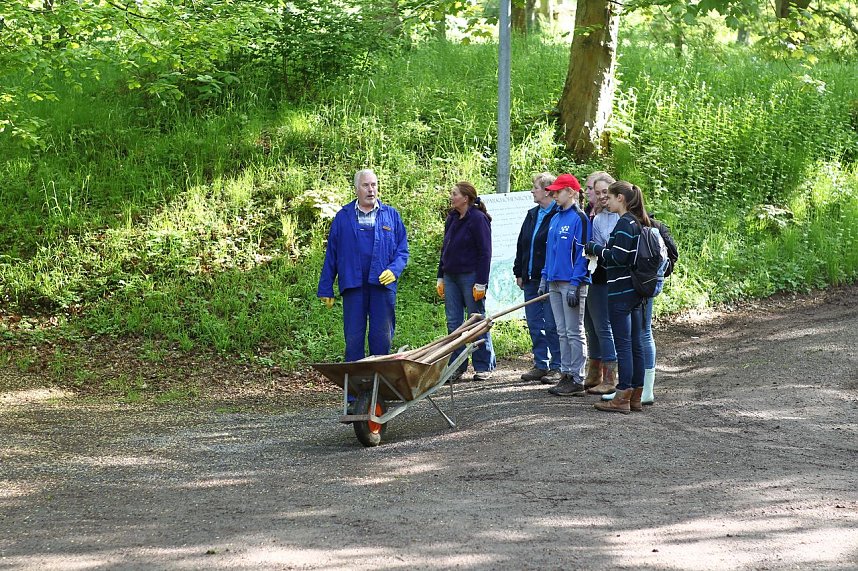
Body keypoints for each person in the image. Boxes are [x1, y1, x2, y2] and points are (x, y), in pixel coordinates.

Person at [317, 169, 409, 362]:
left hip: (382, 287)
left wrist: (394, 270)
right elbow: (332, 254)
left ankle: (380, 388)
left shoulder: (391, 215)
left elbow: (402, 250)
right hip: (353, 286)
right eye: (365, 185)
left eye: (374, 185)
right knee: (353, 339)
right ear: (356, 189)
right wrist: (326, 287)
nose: (371, 190)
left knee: (382, 339)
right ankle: (356, 390)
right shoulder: (343, 217)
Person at [585, 181, 650, 414]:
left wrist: (595, 248)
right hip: (634, 291)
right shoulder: (638, 221)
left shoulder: (625, 223)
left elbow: (617, 258)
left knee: (624, 344)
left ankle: (622, 396)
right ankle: (635, 396)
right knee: (635, 344)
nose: (607, 202)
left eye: (610, 197)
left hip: (621, 291)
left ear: (620, 198)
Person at [437, 181, 496, 381]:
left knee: (476, 320)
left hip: (470, 276)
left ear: (466, 197)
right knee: (454, 322)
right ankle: (457, 366)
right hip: (450, 276)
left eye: (454, 194)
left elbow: (485, 252)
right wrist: (440, 276)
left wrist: (481, 282)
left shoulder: (478, 219)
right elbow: (444, 249)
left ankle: (483, 365)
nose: (451, 197)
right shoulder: (452, 218)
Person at [539, 173, 591, 396]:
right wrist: (544, 276)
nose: (554, 195)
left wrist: (576, 282)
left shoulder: (579, 219)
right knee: (562, 331)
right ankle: (566, 373)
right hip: (553, 281)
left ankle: (577, 377)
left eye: (558, 191)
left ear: (571, 192)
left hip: (571, 283)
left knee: (573, 331)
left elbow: (584, 253)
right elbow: (550, 252)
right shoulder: (555, 218)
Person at [513, 172, 562, 384]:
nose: (532, 191)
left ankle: (557, 366)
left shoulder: (558, 214)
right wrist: (519, 271)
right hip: (530, 277)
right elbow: (522, 243)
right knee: (534, 322)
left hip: (550, 277)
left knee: (552, 323)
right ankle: (540, 363)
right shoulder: (532, 214)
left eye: (535, 187)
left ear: (548, 191)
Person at [584, 173, 620, 395]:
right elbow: (597, 249)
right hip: (596, 274)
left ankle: (610, 376)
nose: (601, 197)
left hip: (614, 277)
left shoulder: (621, 217)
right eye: (597, 193)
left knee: (604, 326)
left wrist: (603, 250)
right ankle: (594, 371)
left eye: (605, 192)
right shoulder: (596, 219)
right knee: (591, 325)